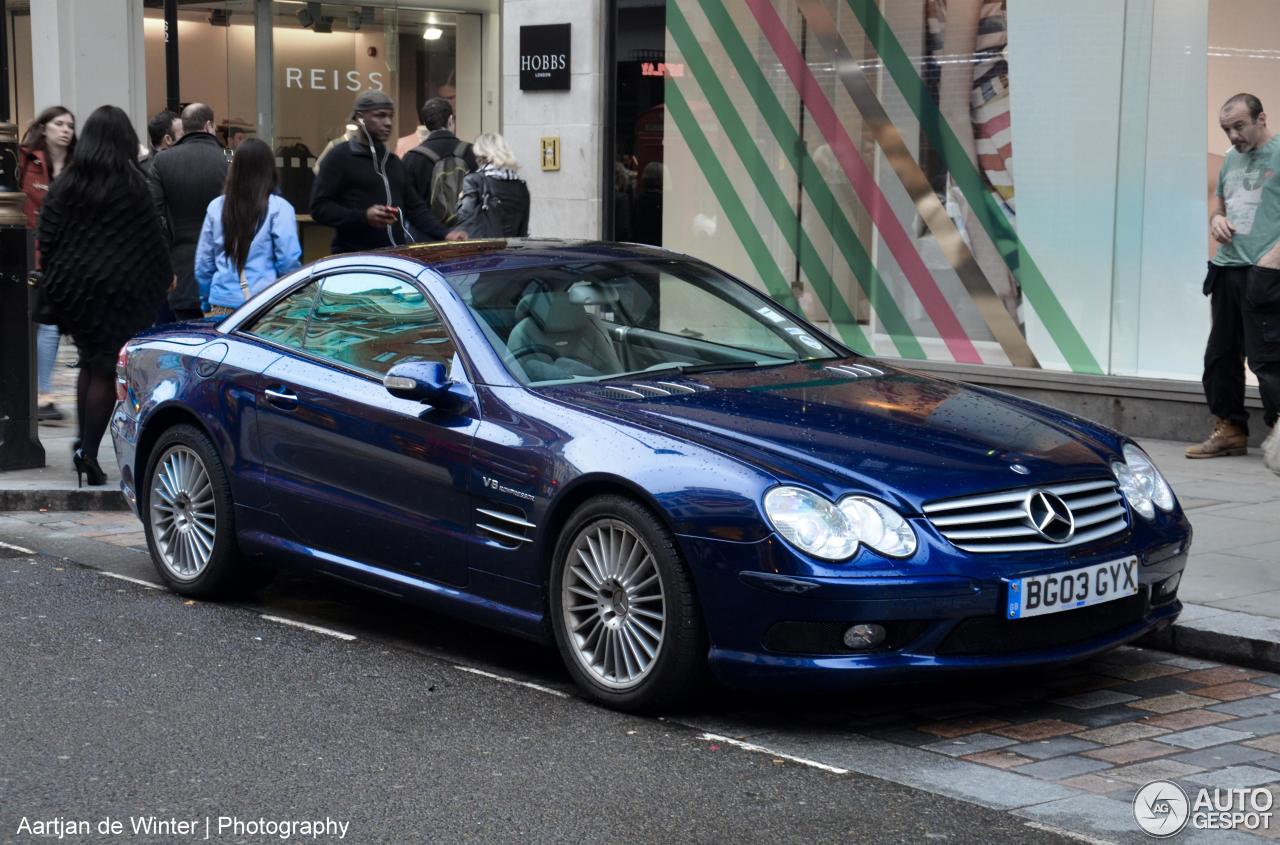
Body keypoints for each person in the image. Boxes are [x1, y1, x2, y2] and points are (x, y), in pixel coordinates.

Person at [36, 105, 171, 487]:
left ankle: (83, 445)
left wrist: (60, 277)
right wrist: (162, 279)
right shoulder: (133, 185)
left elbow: (47, 238)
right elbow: (152, 241)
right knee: (106, 368)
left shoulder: (67, 182)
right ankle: (89, 454)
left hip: (75, 292)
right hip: (120, 292)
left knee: (89, 363)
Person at [1188, 92, 1280, 467]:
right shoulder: (1230, 160)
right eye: (1226, 129)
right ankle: (1230, 430)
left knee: (1268, 359)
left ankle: (1277, 433)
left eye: (1239, 126)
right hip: (1227, 269)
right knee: (1220, 356)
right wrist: (1216, 220)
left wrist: (1271, 261)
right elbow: (1220, 203)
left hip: (1266, 272)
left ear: (1261, 119)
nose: (1233, 137)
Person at [310, 89, 462, 253]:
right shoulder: (339, 157)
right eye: (380, 115)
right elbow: (319, 208)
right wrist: (363, 217)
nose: (388, 122)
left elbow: (416, 209)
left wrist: (446, 233)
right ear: (360, 118)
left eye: (390, 116)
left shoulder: (393, 162)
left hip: (391, 260)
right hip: (353, 260)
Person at [194, 138, 302, 316]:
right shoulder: (280, 208)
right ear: (269, 169)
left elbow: (204, 265)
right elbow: (288, 261)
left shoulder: (216, 207)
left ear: (234, 169)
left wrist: (206, 300)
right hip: (265, 304)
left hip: (222, 303)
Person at [148, 102, 230, 322]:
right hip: (225, 271)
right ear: (209, 125)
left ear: (183, 127)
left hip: (181, 270)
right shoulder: (230, 159)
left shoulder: (162, 161)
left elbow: (154, 218)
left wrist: (164, 263)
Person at [18, 106, 75, 422]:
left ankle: (43, 395)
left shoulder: (75, 167)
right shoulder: (27, 160)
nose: (65, 130)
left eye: (69, 125)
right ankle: (33, 393)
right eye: (59, 123)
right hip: (28, 253)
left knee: (50, 325)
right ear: (45, 127)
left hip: (62, 258)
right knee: (31, 325)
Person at [404, 96, 478, 229]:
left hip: (427, 237)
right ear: (450, 120)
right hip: (465, 235)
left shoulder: (412, 158)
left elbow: (408, 205)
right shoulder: (472, 152)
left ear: (426, 124)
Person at [453, 132, 530, 239]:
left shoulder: (474, 180)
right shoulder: (520, 186)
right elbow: (523, 230)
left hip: (483, 250)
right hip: (511, 249)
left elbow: (463, 217)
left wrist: (460, 200)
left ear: (481, 155)